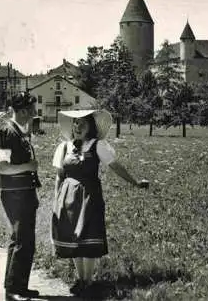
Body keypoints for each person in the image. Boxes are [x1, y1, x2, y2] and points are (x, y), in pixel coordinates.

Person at [51, 109, 149, 297]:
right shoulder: (64, 147)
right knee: (73, 239)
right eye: (76, 123)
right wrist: (56, 200)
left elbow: (115, 166)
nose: (78, 127)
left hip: (89, 197)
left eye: (83, 124)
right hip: (68, 198)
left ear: (91, 128)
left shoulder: (98, 145)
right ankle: (81, 280)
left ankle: (89, 281)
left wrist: (135, 182)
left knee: (88, 236)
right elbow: (59, 177)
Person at [0, 92, 41, 301]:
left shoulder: (20, 131)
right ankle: (12, 291)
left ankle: (18, 286)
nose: (33, 114)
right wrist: (27, 167)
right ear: (21, 111)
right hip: (15, 194)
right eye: (31, 110)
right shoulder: (6, 132)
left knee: (23, 240)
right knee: (22, 240)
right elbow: (1, 168)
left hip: (24, 192)